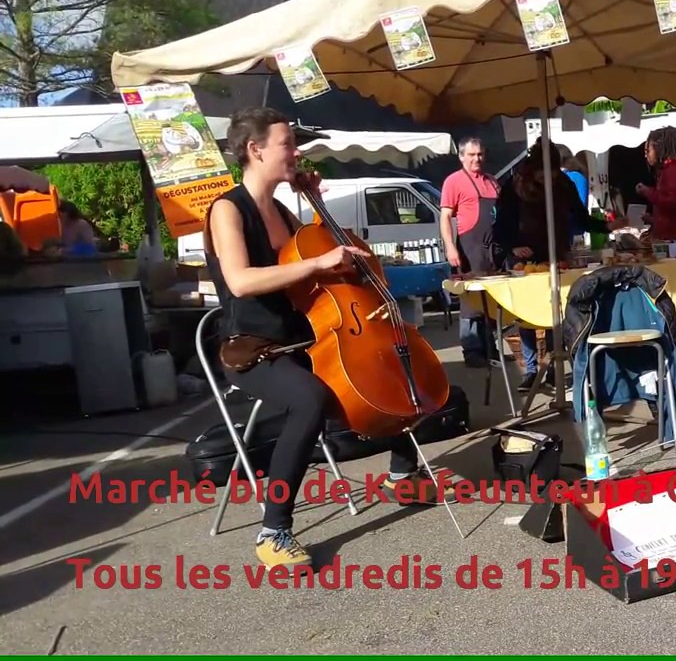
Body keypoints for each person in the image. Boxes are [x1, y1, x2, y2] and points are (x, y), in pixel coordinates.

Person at [205, 107, 448, 570]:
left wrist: (314, 202)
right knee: (310, 399)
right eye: (287, 144)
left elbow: (311, 268)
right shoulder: (228, 209)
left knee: (390, 368)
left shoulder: (281, 209)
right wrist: (318, 262)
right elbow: (240, 281)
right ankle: (273, 530)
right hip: (254, 348)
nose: (296, 153)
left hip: (304, 336)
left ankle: (402, 475)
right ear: (255, 150)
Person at [494, 140, 621, 391]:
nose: (549, 177)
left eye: (552, 172)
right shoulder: (515, 185)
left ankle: (554, 367)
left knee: (556, 307)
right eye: (543, 173)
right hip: (524, 257)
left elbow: (581, 218)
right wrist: (513, 246)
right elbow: (500, 226)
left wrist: (606, 226)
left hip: (557, 253)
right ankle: (532, 370)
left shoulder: (564, 184)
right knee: (526, 312)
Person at [440, 137, 502, 367]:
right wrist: (450, 246)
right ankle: (472, 350)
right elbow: (445, 216)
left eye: (480, 154)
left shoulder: (492, 181)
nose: (477, 159)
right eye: (472, 154)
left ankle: (490, 349)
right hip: (469, 247)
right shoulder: (453, 181)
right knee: (470, 300)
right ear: (461, 156)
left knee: (490, 299)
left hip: (493, 248)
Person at [636, 127, 676, 242]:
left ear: (659, 148)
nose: (646, 156)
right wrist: (653, 220)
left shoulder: (674, 170)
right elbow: (673, 213)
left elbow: (673, 202)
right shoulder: (668, 170)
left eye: (647, 151)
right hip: (674, 237)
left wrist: (647, 191)